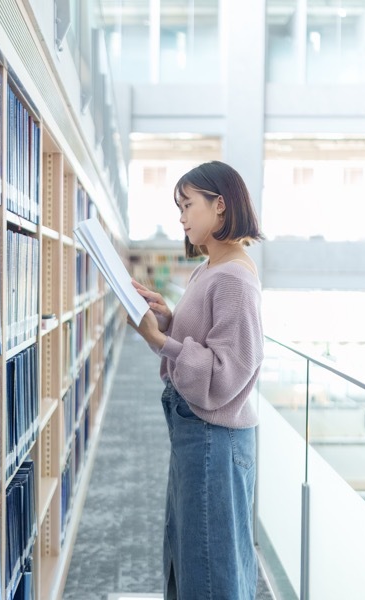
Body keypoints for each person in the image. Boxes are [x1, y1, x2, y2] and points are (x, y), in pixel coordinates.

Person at [129, 160, 264, 600]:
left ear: (220, 206)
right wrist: (167, 320)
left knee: (209, 570)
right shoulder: (210, 268)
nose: (182, 216)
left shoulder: (234, 280)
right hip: (198, 435)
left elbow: (226, 374)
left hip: (213, 439)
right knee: (194, 557)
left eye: (188, 205)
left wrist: (162, 342)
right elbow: (203, 340)